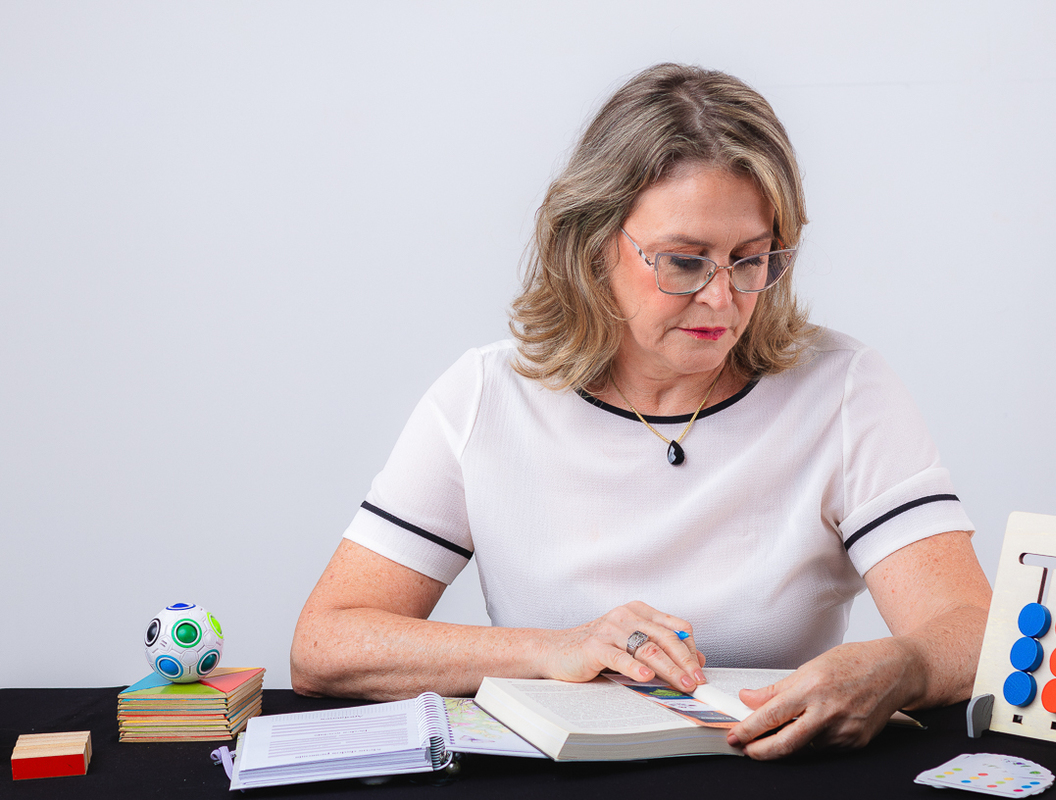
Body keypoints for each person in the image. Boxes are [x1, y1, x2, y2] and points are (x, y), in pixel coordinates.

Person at [290, 63, 992, 760]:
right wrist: (554, 650)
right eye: (684, 261)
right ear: (592, 245)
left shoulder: (842, 390)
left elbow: (972, 628)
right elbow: (325, 645)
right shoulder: (487, 395)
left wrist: (904, 665)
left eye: (751, 260)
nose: (722, 299)